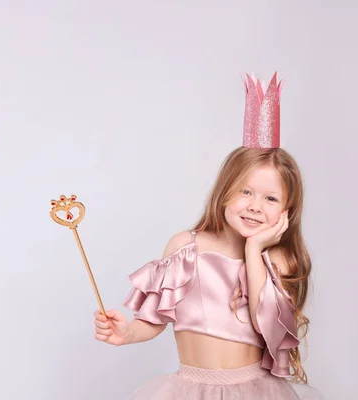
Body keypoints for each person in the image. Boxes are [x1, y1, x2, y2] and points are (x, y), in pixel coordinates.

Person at [93, 73, 323, 399]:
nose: (255, 207)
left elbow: (265, 323)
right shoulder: (186, 247)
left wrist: (255, 249)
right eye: (245, 191)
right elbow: (158, 316)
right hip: (189, 389)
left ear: (287, 209)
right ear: (224, 191)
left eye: (270, 198)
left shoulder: (277, 261)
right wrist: (128, 332)